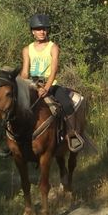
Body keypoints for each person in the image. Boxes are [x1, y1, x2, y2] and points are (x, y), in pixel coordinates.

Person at [20, 13, 83, 152]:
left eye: (44, 29)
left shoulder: (53, 47)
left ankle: (72, 136)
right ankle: (11, 140)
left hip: (51, 85)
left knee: (67, 103)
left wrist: (46, 88)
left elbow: (54, 69)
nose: (41, 32)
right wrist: (21, 84)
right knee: (13, 104)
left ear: (47, 30)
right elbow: (25, 72)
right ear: (32, 31)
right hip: (32, 85)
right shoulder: (27, 49)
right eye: (38, 29)